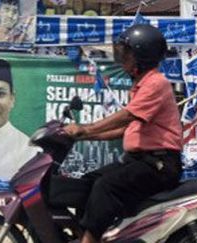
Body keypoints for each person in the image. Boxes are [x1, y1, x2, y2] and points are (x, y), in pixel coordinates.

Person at [64, 25, 183, 243]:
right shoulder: (141, 85)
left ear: (142, 56)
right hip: (141, 161)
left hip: (160, 164)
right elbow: (127, 129)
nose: (122, 58)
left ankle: (90, 239)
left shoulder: (156, 83)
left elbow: (127, 116)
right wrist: (84, 136)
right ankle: (89, 234)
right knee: (89, 181)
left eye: (126, 53)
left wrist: (86, 128)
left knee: (106, 186)